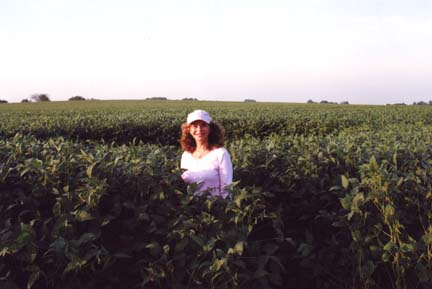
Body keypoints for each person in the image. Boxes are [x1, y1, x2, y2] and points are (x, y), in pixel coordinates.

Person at [180, 110, 233, 198]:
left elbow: (227, 188)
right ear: (189, 130)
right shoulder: (186, 155)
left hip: (214, 207)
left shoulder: (220, 153)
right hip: (191, 208)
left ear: (210, 128)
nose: (199, 129)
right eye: (194, 126)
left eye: (203, 125)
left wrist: (223, 208)